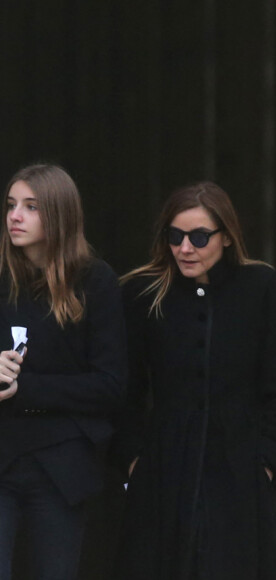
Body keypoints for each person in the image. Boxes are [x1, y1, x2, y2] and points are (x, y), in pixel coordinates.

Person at [111, 181, 276, 579]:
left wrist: (266, 462)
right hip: (164, 471)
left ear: (227, 237)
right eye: (175, 236)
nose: (184, 248)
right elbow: (125, 387)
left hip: (240, 469)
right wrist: (134, 459)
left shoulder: (260, 287)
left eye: (199, 237)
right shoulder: (142, 292)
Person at [0, 164, 126, 579]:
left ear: (59, 214)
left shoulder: (95, 281)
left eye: (31, 207)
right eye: (11, 205)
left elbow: (110, 386)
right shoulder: (2, 276)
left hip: (60, 465)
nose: (15, 216)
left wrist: (26, 388)